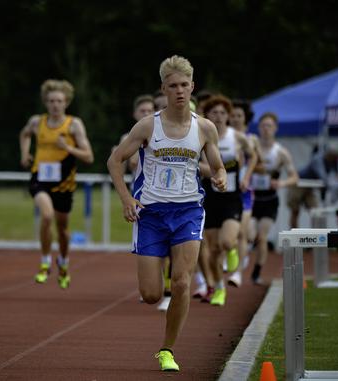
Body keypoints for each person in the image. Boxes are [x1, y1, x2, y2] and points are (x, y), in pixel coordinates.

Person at [107, 55, 226, 372]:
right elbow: (115, 161)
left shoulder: (204, 128)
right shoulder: (148, 125)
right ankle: (155, 274)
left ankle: (167, 350)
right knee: (150, 294)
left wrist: (221, 176)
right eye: (172, 86)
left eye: (184, 85)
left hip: (188, 210)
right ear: (163, 88)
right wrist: (125, 199)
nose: (179, 91)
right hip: (151, 214)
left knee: (183, 282)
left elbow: (217, 164)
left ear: (192, 87)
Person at [19, 79, 94, 289]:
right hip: (39, 178)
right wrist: (25, 154)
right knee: (46, 215)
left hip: (64, 183)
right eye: (51, 101)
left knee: (63, 229)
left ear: (66, 102)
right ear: (45, 102)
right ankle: (45, 262)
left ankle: (63, 262)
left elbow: (89, 156)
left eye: (59, 101)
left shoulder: (74, 125)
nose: (55, 105)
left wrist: (68, 148)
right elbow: (24, 134)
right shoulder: (37, 122)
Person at [199, 95, 256, 306]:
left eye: (223, 113)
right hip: (211, 198)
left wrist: (247, 175)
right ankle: (219, 289)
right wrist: (212, 170)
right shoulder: (201, 137)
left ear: (229, 116)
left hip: (232, 198)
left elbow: (253, 155)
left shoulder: (237, 137)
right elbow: (198, 166)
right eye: (215, 112)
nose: (220, 116)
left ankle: (232, 249)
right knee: (213, 250)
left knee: (226, 241)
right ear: (207, 115)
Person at [250, 112, 298, 285]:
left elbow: (294, 177)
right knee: (249, 235)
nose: (266, 129)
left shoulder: (281, 152)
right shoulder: (251, 148)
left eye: (269, 126)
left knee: (262, 237)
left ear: (275, 129)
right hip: (252, 197)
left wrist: (282, 183)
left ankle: (256, 271)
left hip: (269, 199)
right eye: (263, 125)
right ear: (259, 128)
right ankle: (244, 257)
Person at [228, 99, 257, 287]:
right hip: (227, 191)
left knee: (242, 233)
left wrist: (246, 176)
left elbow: (255, 160)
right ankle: (232, 255)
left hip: (245, 192)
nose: (236, 119)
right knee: (229, 234)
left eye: (239, 116)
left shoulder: (250, 139)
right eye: (233, 116)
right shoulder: (224, 136)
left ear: (245, 117)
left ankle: (238, 273)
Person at [286, 145, 338, 228]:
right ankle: (294, 233)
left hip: (309, 186)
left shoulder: (334, 161)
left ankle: (315, 235)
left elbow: (336, 176)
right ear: (329, 155)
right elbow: (323, 177)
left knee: (315, 211)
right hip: (299, 183)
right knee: (295, 211)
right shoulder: (317, 159)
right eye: (334, 156)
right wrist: (333, 183)